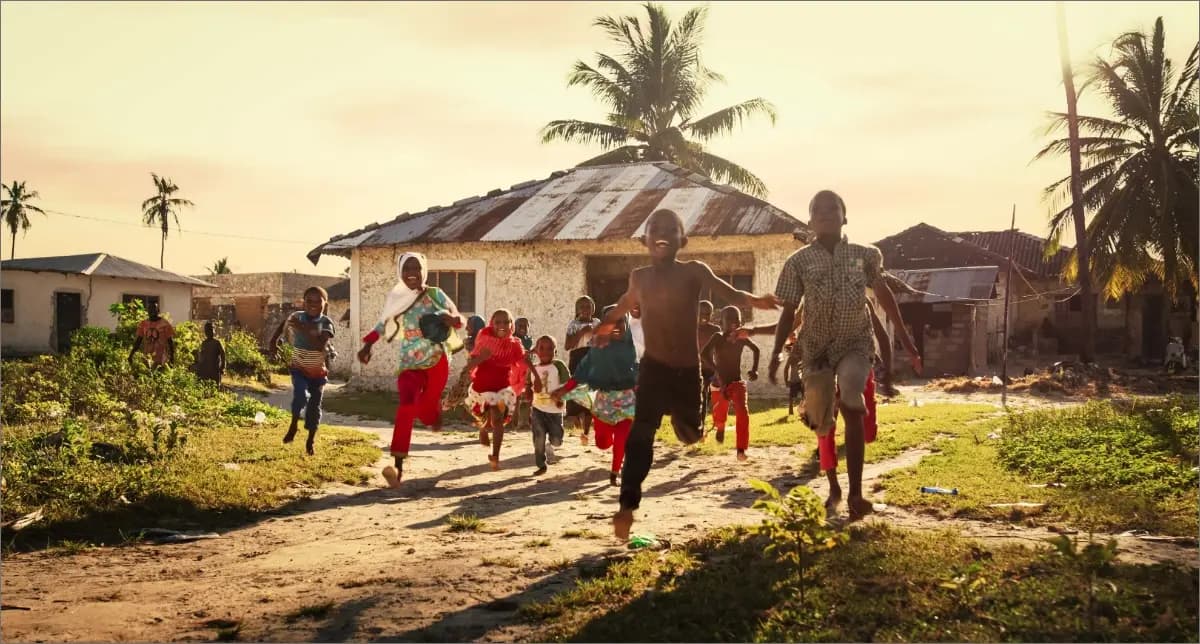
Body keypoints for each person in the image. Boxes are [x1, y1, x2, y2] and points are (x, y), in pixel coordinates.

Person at [593, 208, 780, 538]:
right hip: (652, 368)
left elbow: (729, 293)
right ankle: (627, 506)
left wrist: (757, 300)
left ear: (683, 240)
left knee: (690, 434)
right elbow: (625, 301)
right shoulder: (640, 276)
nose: (662, 233)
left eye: (670, 229)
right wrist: (607, 323)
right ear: (645, 240)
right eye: (655, 228)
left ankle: (685, 422)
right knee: (641, 433)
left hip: (686, 370)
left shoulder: (694, 271)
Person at [768, 190, 921, 521]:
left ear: (845, 216)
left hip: (855, 343)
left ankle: (855, 494)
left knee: (853, 400)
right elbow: (789, 310)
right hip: (817, 350)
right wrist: (777, 352)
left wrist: (906, 341)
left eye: (832, 208)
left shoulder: (865, 255)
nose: (825, 213)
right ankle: (834, 486)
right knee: (822, 423)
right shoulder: (798, 262)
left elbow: (883, 295)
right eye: (817, 210)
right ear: (809, 221)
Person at [357, 253, 465, 488]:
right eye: (407, 268)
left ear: (424, 270)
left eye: (417, 267)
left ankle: (433, 413)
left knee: (426, 411)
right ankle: (398, 466)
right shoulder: (397, 297)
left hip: (437, 359)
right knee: (406, 406)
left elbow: (460, 320)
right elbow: (382, 324)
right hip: (409, 363)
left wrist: (451, 319)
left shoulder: (435, 294)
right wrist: (367, 346)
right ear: (400, 271)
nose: (412, 272)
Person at [553, 305, 639, 486]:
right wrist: (564, 390)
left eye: (620, 321)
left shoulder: (634, 348)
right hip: (603, 404)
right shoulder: (597, 350)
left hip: (627, 401)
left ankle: (615, 472)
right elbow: (581, 372)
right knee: (602, 443)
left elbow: (643, 372)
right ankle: (611, 444)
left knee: (623, 437)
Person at [269, 286, 335, 456]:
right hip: (298, 367)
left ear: (324, 303)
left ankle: (310, 440)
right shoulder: (296, 317)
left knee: (314, 408)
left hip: (318, 373)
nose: (313, 304)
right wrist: (273, 342)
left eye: (317, 301)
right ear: (303, 303)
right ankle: (293, 424)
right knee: (300, 395)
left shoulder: (325, 323)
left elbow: (320, 344)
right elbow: (284, 325)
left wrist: (303, 328)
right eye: (309, 301)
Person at [464, 308, 529, 470]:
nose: (502, 325)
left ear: (511, 325)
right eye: (498, 322)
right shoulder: (484, 340)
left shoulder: (514, 345)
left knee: (498, 420)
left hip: (501, 389)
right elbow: (469, 366)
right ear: (492, 324)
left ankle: (495, 455)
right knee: (491, 417)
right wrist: (482, 358)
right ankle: (484, 429)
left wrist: (530, 382)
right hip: (483, 388)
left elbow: (523, 363)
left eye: (506, 322)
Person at [700, 306, 760, 461]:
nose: (734, 325)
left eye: (737, 321)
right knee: (719, 414)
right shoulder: (717, 337)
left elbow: (756, 350)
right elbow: (704, 354)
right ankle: (720, 427)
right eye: (730, 321)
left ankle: (741, 449)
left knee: (743, 413)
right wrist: (716, 370)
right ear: (722, 323)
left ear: (740, 323)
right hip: (719, 383)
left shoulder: (741, 338)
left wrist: (754, 370)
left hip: (736, 382)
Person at [528, 335, 569, 476]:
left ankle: (551, 445)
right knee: (538, 437)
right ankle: (541, 464)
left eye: (550, 348)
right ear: (536, 351)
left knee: (557, 440)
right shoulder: (533, 368)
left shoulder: (558, 366)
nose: (545, 351)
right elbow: (529, 387)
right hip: (538, 409)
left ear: (555, 351)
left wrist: (560, 396)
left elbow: (567, 384)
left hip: (555, 411)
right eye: (541, 348)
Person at [565, 296, 600, 445]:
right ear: (577, 310)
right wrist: (582, 332)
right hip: (577, 359)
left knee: (590, 395)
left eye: (588, 307)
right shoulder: (573, 324)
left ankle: (585, 433)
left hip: (592, 358)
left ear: (593, 309)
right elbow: (568, 346)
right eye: (582, 307)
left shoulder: (597, 323)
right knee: (576, 392)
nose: (585, 310)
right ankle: (576, 421)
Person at [696, 300, 722, 428]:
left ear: (711, 314)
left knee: (706, 396)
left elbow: (720, 350)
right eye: (701, 313)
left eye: (707, 313)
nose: (704, 316)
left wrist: (719, 370)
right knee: (698, 397)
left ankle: (702, 425)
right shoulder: (691, 328)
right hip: (695, 369)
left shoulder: (715, 330)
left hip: (710, 368)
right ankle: (698, 424)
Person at [129, 299, 175, 367]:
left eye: (154, 309)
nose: (152, 311)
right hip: (147, 359)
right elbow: (138, 341)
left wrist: (172, 357)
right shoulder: (143, 324)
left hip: (161, 360)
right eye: (150, 309)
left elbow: (170, 342)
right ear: (147, 311)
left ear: (158, 310)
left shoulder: (165, 324)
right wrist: (131, 355)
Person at [512, 316, 535, 430]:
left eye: (525, 326)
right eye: (519, 326)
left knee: (528, 395)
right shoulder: (513, 339)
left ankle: (528, 420)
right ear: (514, 327)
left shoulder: (528, 340)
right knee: (515, 396)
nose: (523, 328)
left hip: (526, 370)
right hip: (515, 370)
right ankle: (514, 422)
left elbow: (529, 354)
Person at [194, 321, 226, 387]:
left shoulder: (217, 343)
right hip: (205, 371)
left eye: (210, 330)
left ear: (214, 331)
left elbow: (223, 355)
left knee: (215, 387)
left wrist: (222, 367)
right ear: (205, 332)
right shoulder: (204, 343)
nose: (208, 332)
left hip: (214, 370)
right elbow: (201, 357)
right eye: (207, 330)